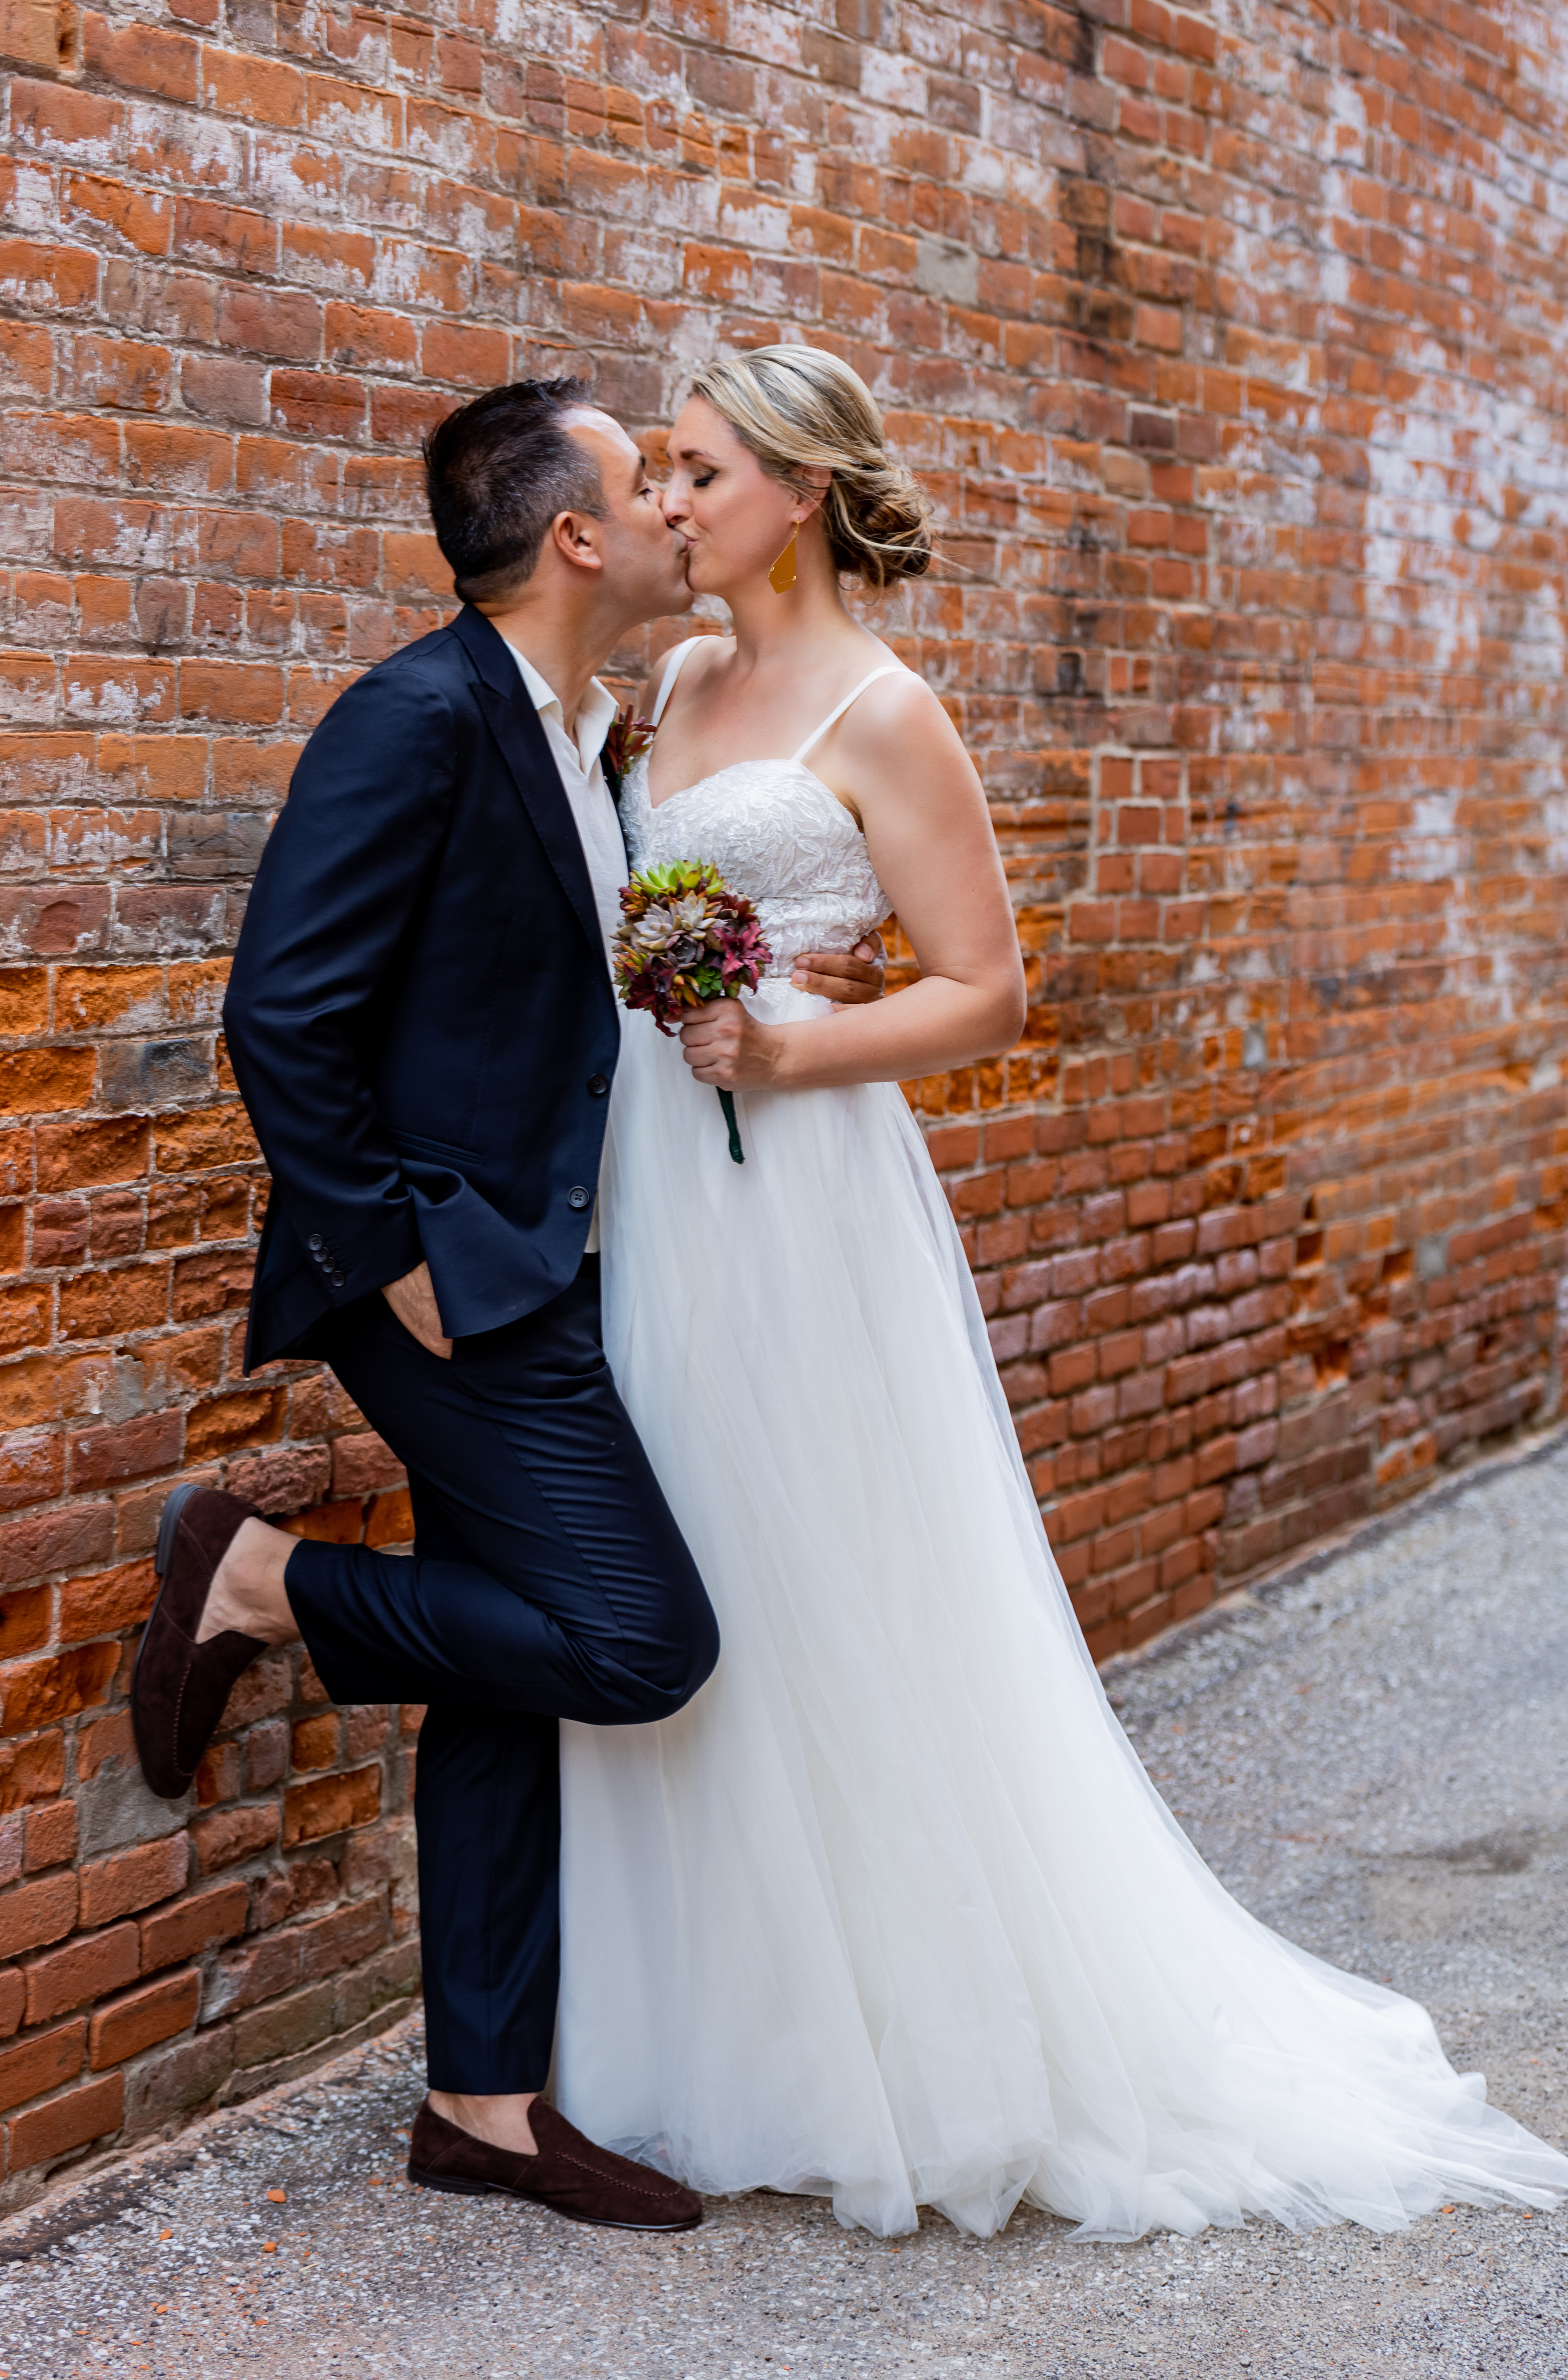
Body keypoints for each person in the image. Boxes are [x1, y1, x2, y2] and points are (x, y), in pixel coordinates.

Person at [552, 344, 1568, 2240]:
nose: (667, 506)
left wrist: (783, 1058)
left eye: (694, 472)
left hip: (800, 1186)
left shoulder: (881, 709)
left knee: (824, 1578)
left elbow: (985, 988)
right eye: (664, 475)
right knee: (686, 1550)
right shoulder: (676, 682)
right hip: (660, 1179)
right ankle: (713, 2019)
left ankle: (892, 2032)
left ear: (793, 488)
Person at [130, 379, 886, 2232]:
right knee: (640, 1642)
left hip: (552, 1258)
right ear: (574, 536)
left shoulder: (586, 727)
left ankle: (482, 2102)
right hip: (449, 1284)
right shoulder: (418, 715)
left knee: (509, 1672)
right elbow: (281, 1014)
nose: (675, 506)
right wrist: (399, 1261)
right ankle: (256, 1580)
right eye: (650, 479)